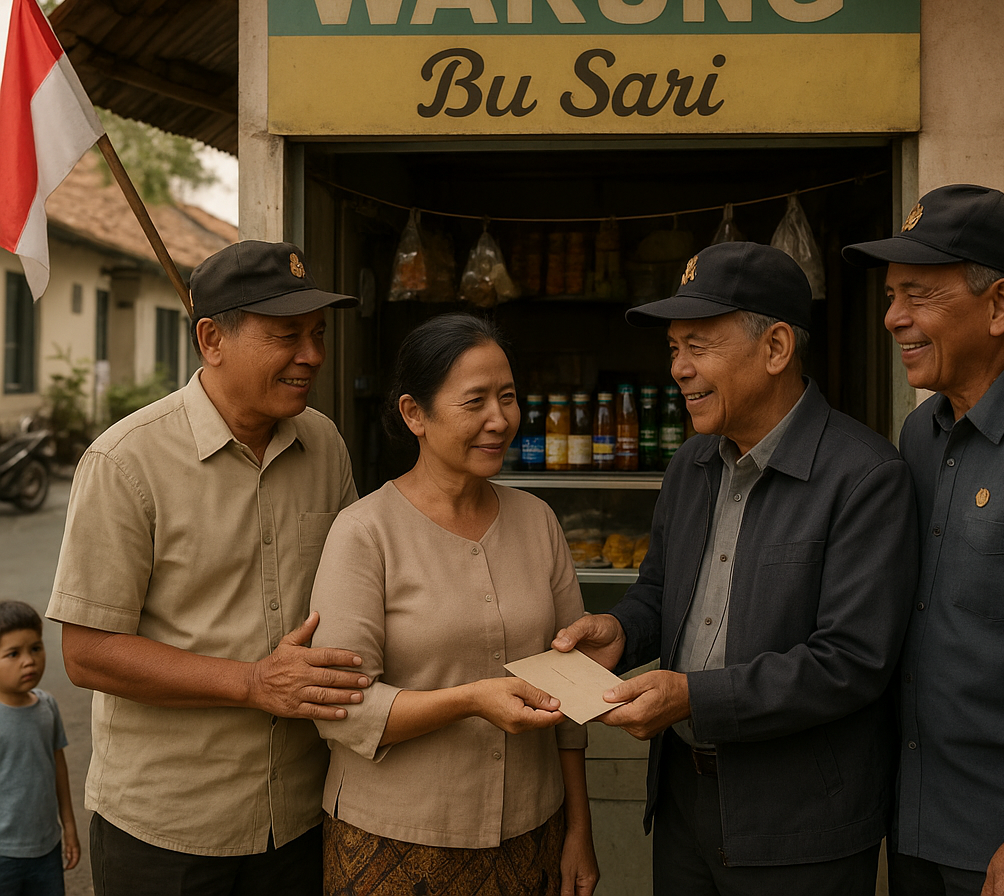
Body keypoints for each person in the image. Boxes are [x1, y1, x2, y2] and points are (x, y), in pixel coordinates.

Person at [552, 241, 918, 896]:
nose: (679, 370)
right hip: (684, 803)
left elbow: (850, 662)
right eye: (673, 349)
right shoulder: (691, 466)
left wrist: (694, 696)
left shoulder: (864, 478)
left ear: (776, 348)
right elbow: (662, 591)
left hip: (800, 823)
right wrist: (621, 631)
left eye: (699, 345)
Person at [46, 240, 369, 896]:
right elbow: (86, 655)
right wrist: (252, 682)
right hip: (170, 829)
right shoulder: (125, 463)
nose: (311, 356)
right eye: (286, 336)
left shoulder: (325, 443)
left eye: (318, 334)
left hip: (304, 816)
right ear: (212, 339)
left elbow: (359, 593)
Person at [309, 312, 599, 896]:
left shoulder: (537, 521)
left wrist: (579, 828)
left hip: (530, 831)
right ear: (414, 413)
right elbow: (341, 707)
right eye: (475, 402)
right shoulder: (364, 532)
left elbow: (573, 690)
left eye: (509, 398)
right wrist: (470, 700)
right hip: (395, 841)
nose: (500, 420)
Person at [844, 183, 1004, 896]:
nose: (893, 318)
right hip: (915, 822)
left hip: (1001, 840)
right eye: (891, 295)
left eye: (919, 294)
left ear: (1002, 304)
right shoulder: (921, 433)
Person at [0, 600, 79, 896]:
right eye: (13, 654)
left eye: (35, 648)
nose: (29, 661)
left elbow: (58, 768)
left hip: (47, 847)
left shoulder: (47, 706)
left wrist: (68, 825)